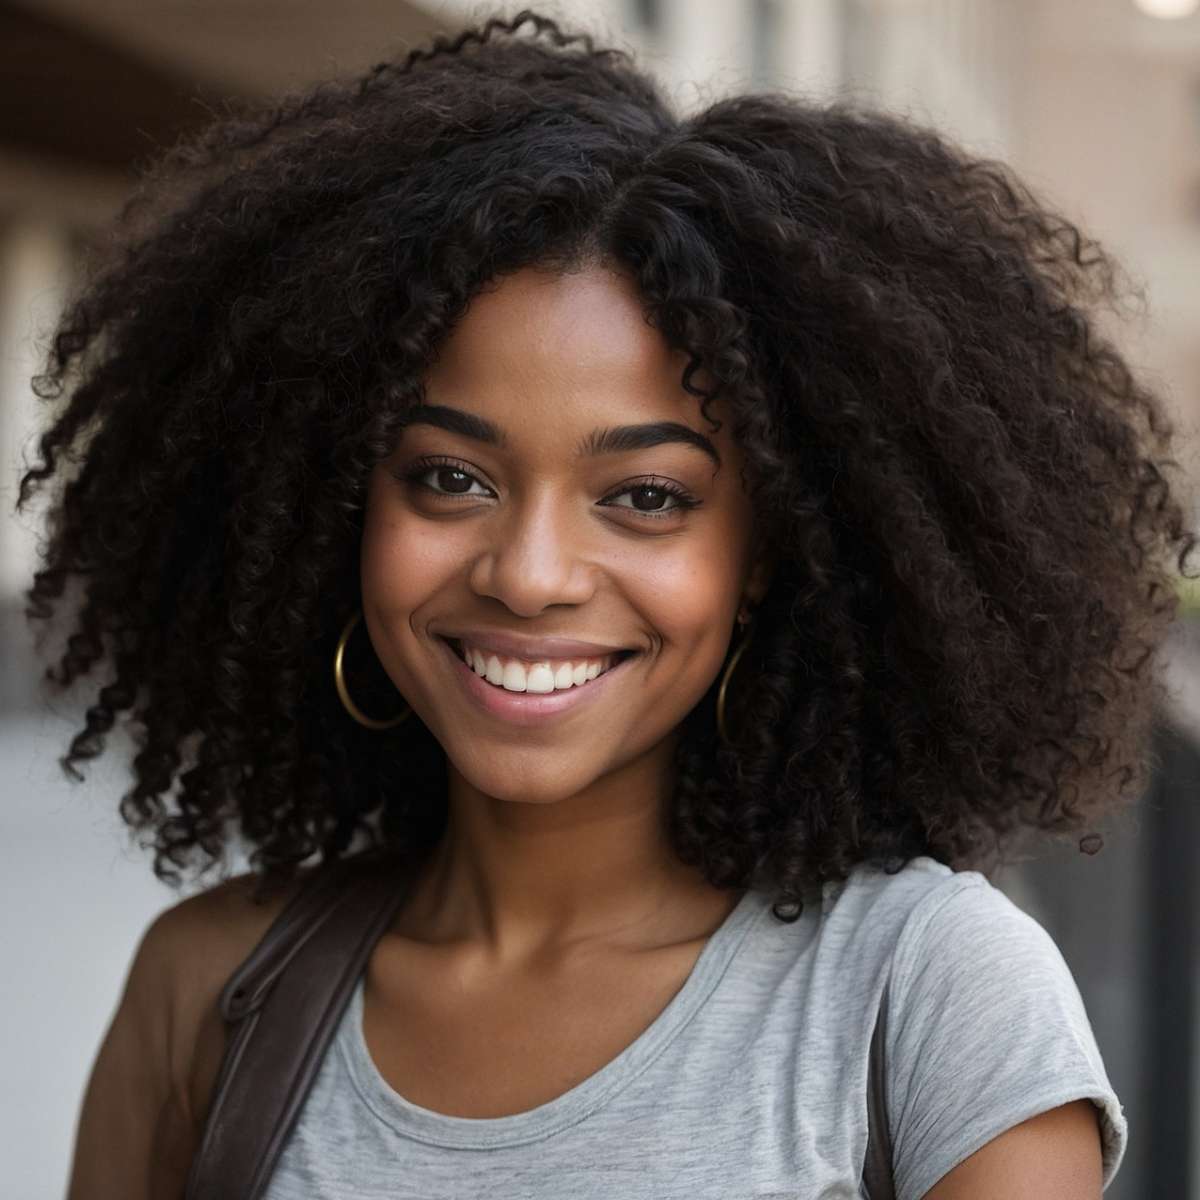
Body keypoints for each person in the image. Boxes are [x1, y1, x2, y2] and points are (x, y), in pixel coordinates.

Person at [20, 9, 1193, 1198]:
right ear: (335, 507)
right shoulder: (215, 992)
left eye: (643, 494)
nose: (529, 574)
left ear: (775, 554)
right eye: (448, 477)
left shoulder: (928, 994)